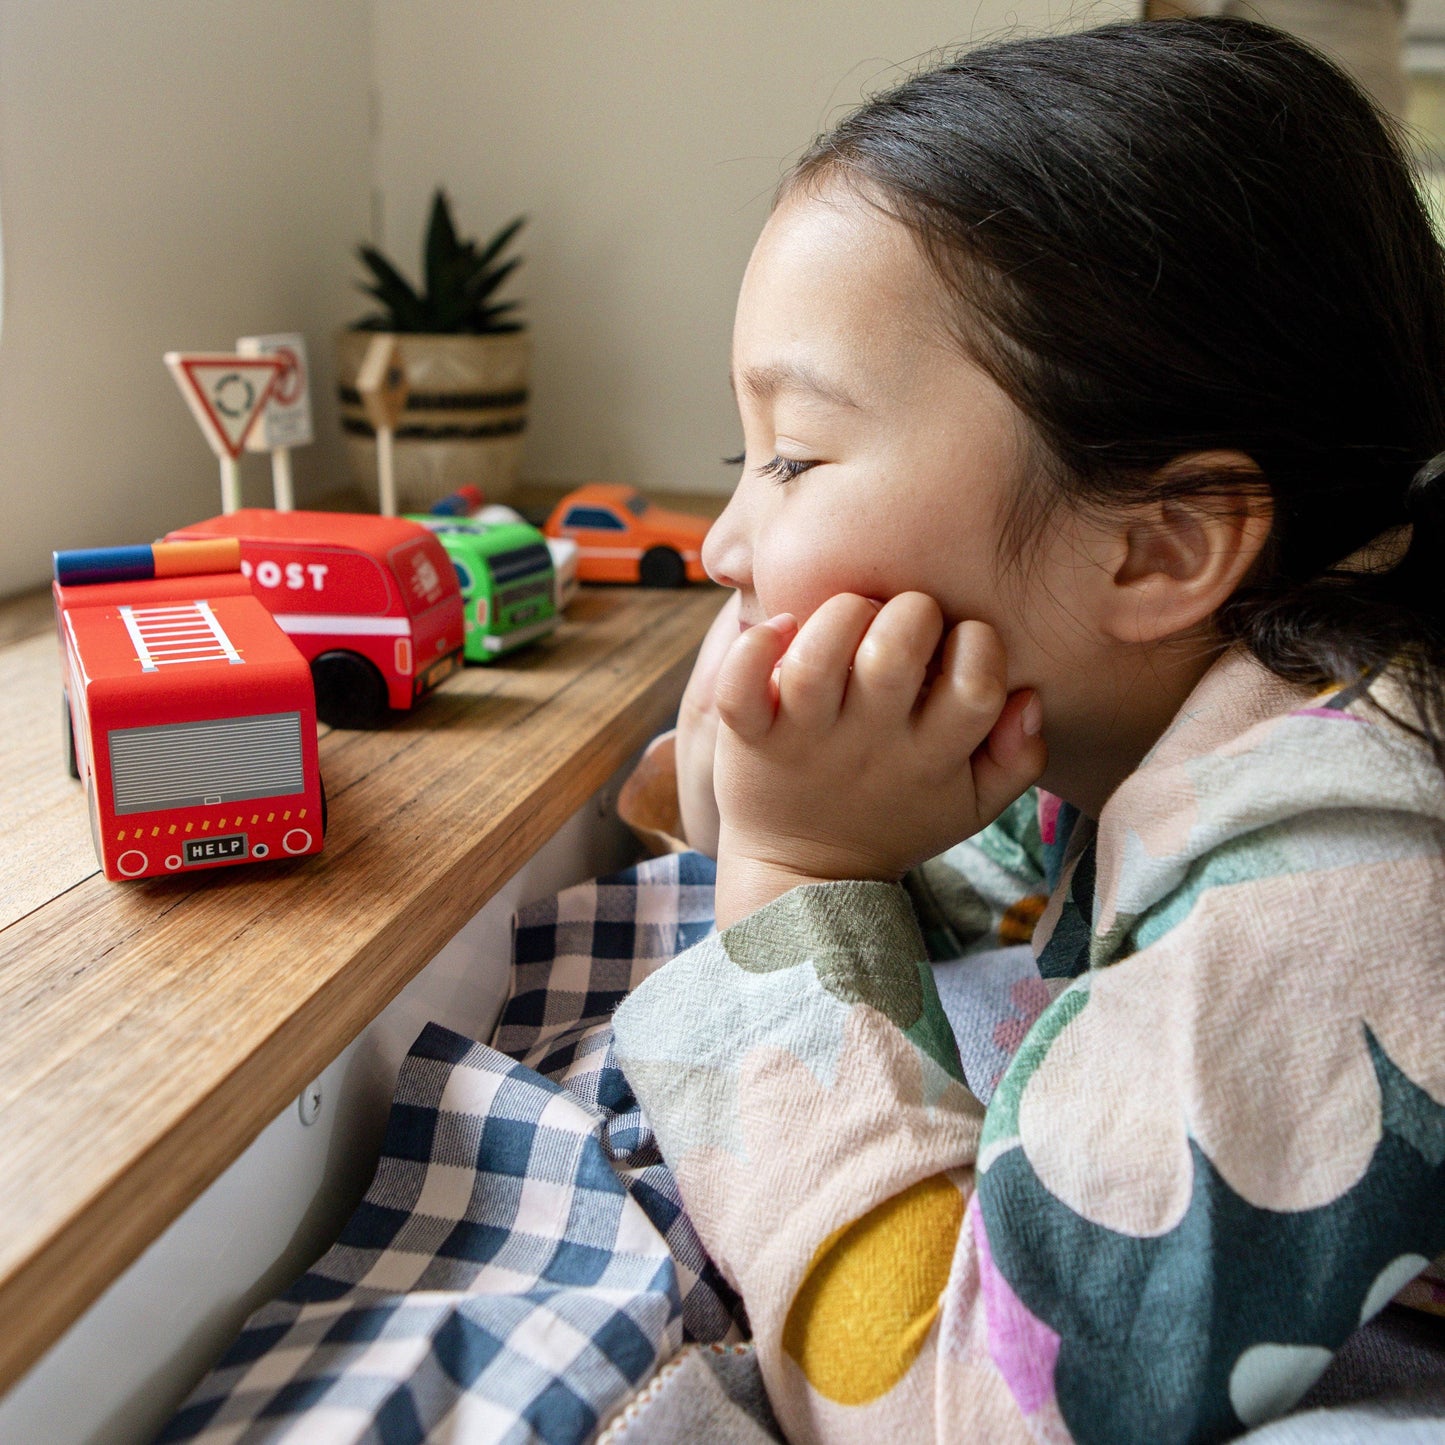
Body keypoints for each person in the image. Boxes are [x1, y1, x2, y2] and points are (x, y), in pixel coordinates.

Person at [608, 16, 1445, 1445]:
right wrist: (771, 787)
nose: (724, 543)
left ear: (1157, 548)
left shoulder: (1337, 866)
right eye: (743, 457)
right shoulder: (1133, 710)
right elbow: (939, 870)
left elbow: (961, 1406)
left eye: (795, 458)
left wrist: (794, 874)